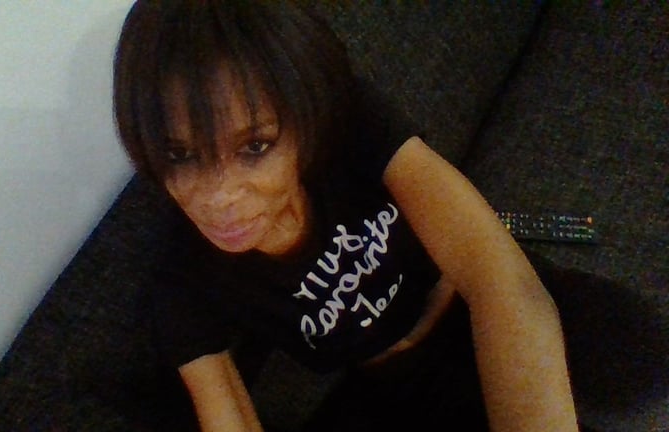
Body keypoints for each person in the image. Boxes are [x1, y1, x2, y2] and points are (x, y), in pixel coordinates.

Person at [112, 1, 579, 431]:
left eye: (255, 147)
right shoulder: (182, 278)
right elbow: (227, 415)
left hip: (473, 311)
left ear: (306, 121)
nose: (219, 198)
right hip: (394, 390)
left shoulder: (349, 126)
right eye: (180, 155)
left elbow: (498, 281)